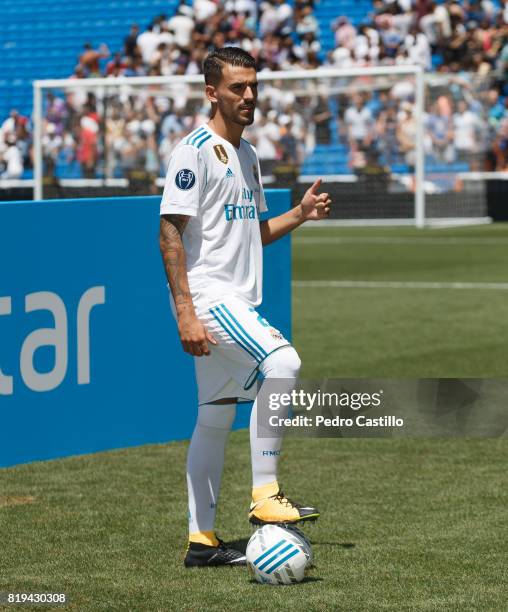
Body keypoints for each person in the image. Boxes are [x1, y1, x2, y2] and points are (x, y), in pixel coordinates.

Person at [158, 47, 330, 568]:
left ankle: (202, 542)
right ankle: (265, 494)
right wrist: (185, 311)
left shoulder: (248, 155)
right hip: (211, 298)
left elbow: (252, 233)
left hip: (230, 297)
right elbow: (169, 230)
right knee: (284, 362)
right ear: (212, 92)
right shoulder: (193, 150)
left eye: (253, 86)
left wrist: (298, 215)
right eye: (237, 87)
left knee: (213, 417)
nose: (249, 96)